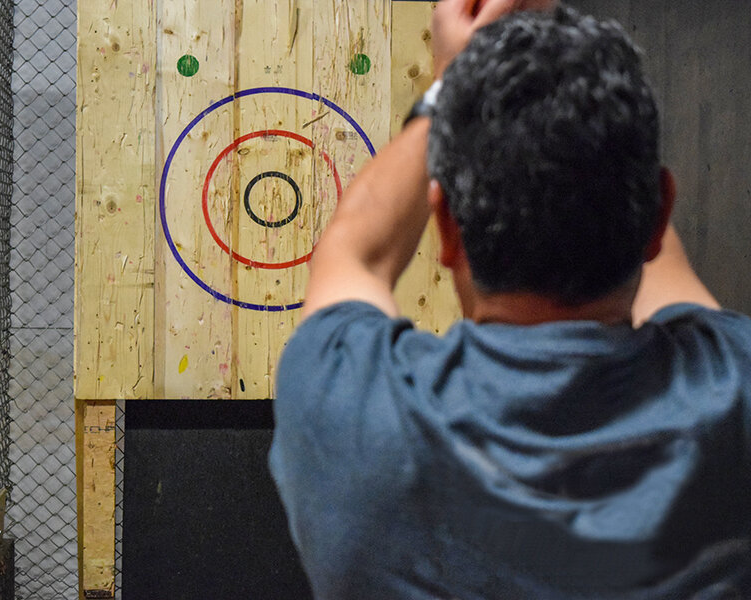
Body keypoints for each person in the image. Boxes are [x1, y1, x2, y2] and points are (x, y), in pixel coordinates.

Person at [269, 1, 751, 598]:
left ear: (445, 226)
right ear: (657, 216)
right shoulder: (734, 395)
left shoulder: (353, 416)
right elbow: (652, 241)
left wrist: (455, 78)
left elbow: (355, 252)